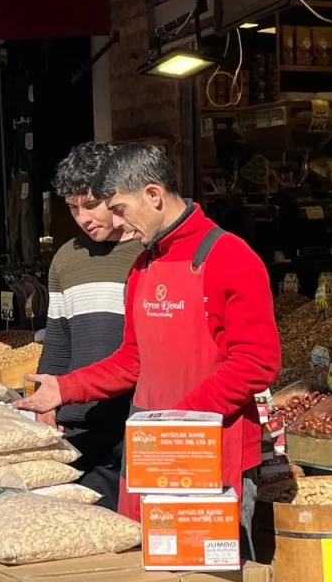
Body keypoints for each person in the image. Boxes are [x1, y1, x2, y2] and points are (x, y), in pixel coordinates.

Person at [17, 144, 281, 544]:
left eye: (120, 209)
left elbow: (256, 362)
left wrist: (181, 421)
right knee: (150, 581)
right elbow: (131, 360)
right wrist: (65, 388)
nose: (118, 224)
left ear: (153, 195)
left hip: (211, 451)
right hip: (150, 453)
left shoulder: (230, 256)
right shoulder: (144, 265)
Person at [38, 142, 142, 511]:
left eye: (90, 204)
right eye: (72, 207)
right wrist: (45, 405)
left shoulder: (148, 252)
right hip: (80, 420)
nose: (82, 217)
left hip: (136, 416)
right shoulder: (66, 259)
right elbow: (58, 340)